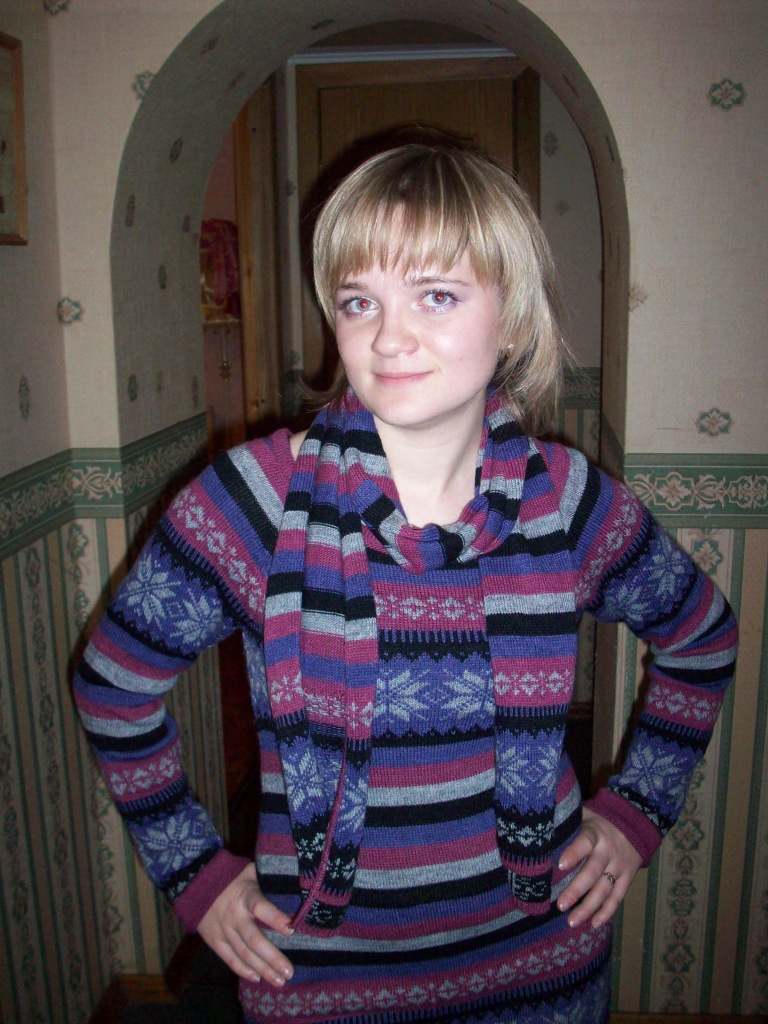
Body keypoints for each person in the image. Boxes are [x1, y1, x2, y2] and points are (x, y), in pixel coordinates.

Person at [74, 143, 738, 1024]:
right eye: (360, 302)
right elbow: (113, 688)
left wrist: (636, 810)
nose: (388, 337)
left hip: (541, 964)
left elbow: (702, 639)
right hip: (322, 980)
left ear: (512, 318)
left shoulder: (570, 502)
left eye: (436, 295)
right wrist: (195, 872)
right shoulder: (252, 503)